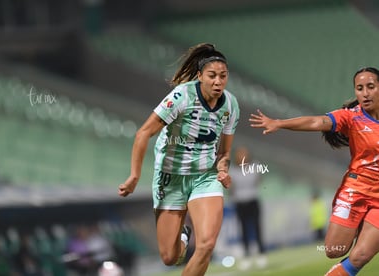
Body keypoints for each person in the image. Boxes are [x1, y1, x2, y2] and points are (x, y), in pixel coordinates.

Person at [118, 43, 240, 276]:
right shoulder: (182, 96)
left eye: (223, 76)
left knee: (206, 246)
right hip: (170, 179)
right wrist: (134, 175)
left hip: (205, 177)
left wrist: (223, 169)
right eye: (212, 76)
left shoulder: (231, 105)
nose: (218, 82)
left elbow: (224, 153)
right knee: (169, 257)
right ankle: (184, 234)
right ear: (199, 76)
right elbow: (143, 133)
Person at [249, 67, 379, 276]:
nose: (364, 93)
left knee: (360, 256)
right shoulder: (351, 117)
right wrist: (279, 123)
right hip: (356, 190)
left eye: (370, 87)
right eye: (359, 88)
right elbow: (316, 121)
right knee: (333, 250)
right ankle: (364, 224)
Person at [229, 146, 266, 270]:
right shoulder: (233, 170)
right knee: (243, 229)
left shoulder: (255, 165)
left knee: (257, 227)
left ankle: (261, 254)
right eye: (240, 154)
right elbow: (231, 187)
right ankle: (247, 256)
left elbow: (258, 180)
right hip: (240, 202)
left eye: (244, 154)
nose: (242, 157)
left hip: (253, 200)